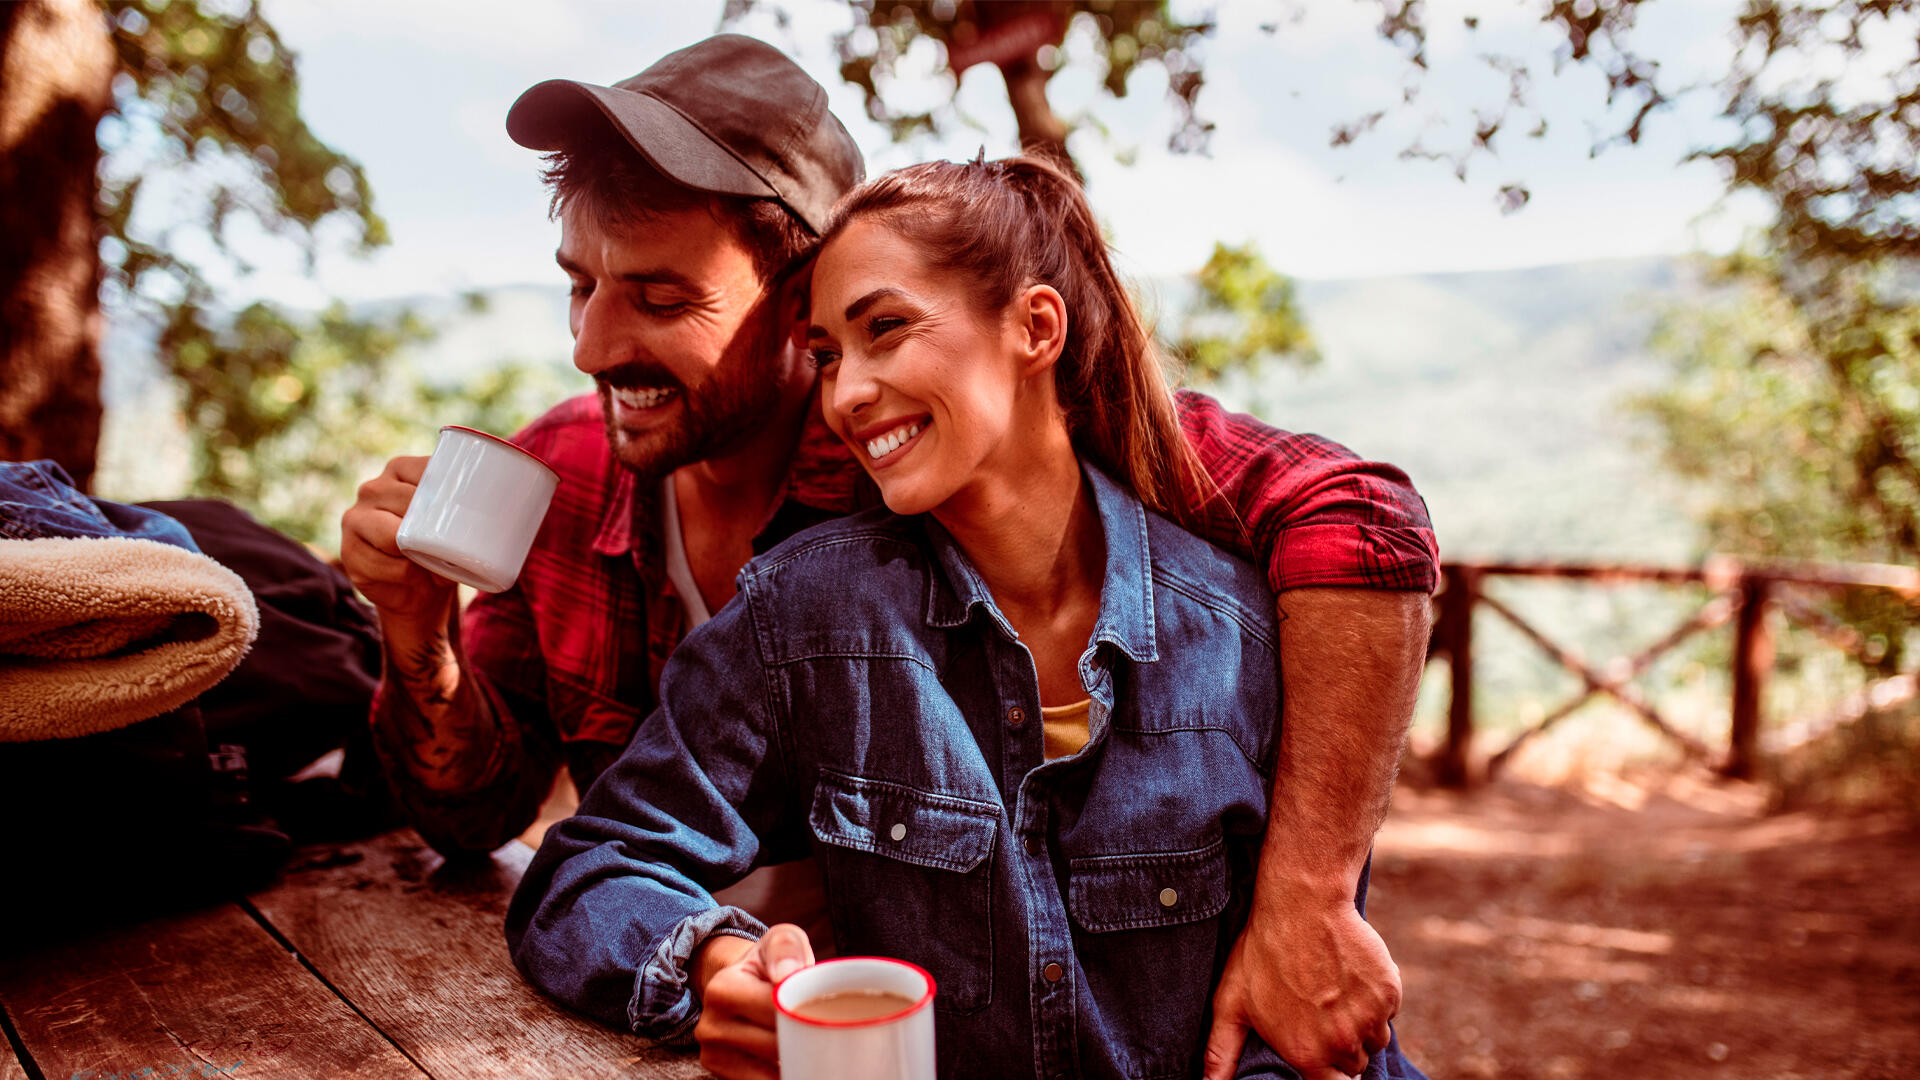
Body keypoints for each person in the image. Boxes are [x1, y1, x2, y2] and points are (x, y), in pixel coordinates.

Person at [338, 34, 1435, 1080]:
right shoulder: (580, 486)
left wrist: (1309, 897)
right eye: (580, 286)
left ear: (793, 297)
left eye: (660, 297)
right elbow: (497, 833)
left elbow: (1359, 517)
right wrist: (416, 632)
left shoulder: (979, 455)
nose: (589, 347)